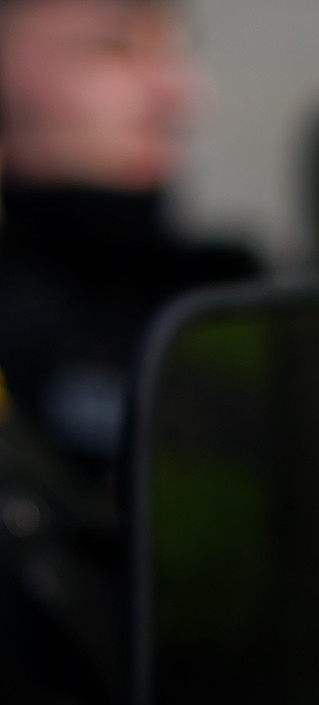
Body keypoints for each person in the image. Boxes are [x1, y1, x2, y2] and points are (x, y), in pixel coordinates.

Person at [0, 0, 260, 484]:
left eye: (181, 49)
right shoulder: (22, 325)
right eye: (114, 47)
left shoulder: (228, 284)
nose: (180, 95)